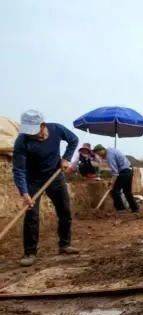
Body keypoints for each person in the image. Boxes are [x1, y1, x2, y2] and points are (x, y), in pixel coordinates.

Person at [12, 110, 80, 267]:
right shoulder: (22, 141)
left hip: (55, 176)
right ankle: (30, 252)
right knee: (31, 215)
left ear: (42, 125)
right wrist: (25, 193)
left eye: (33, 131)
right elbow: (19, 170)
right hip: (33, 181)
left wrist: (66, 158)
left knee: (65, 210)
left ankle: (64, 245)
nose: (30, 135)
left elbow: (73, 140)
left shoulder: (56, 129)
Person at [92, 144, 139, 213]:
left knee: (115, 191)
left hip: (124, 171)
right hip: (129, 169)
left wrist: (112, 183)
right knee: (127, 191)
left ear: (102, 150)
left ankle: (121, 209)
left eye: (99, 154)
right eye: (98, 155)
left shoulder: (109, 156)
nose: (100, 156)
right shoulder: (110, 150)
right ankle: (135, 208)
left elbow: (115, 173)